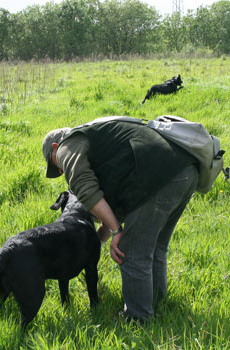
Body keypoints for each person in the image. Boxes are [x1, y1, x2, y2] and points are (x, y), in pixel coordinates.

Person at [42, 117, 198, 321]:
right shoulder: (99, 139)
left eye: (55, 164)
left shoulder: (68, 144)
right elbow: (115, 202)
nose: (61, 170)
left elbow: (87, 190)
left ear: (55, 147)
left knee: (132, 252)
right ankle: (158, 304)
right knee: (156, 246)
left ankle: (138, 319)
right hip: (184, 170)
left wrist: (117, 231)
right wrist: (100, 239)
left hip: (158, 179)